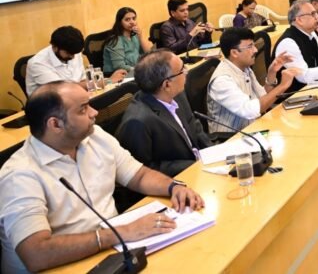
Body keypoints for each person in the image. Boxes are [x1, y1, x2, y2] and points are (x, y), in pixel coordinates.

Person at [0, 81, 204, 273]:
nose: (94, 112)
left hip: (110, 251)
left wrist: (174, 187)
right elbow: (35, 253)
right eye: (83, 109)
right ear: (55, 124)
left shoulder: (95, 136)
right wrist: (123, 232)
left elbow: (139, 176)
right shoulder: (20, 175)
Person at [117, 50, 212, 177]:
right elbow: (142, 171)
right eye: (182, 70)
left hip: (203, 166)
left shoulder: (177, 94)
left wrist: (214, 154)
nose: (187, 71)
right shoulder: (137, 122)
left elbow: (194, 126)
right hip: (179, 178)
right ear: (167, 84)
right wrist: (193, 165)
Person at [207, 28, 299, 133]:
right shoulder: (222, 81)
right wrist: (283, 86)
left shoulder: (245, 68)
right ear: (234, 53)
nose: (255, 50)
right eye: (250, 46)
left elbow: (263, 96)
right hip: (233, 138)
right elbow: (250, 110)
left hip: (252, 128)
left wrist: (272, 72)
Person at [272, 0, 318, 93]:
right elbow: (303, 76)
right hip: (294, 95)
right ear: (299, 20)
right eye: (313, 14)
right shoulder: (288, 43)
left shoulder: (311, 34)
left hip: (313, 88)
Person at [26, 26, 87, 96]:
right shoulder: (37, 63)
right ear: (55, 47)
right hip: (52, 101)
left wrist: (86, 84)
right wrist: (87, 85)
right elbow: (61, 92)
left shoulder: (73, 52)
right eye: (68, 53)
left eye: (74, 53)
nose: (72, 57)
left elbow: (84, 80)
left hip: (76, 97)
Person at [103, 7, 153, 75]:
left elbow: (149, 54)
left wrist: (141, 38)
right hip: (116, 74)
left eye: (133, 18)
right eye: (127, 20)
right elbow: (119, 66)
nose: (132, 22)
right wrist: (139, 69)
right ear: (120, 22)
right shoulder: (115, 40)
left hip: (134, 70)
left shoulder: (134, 36)